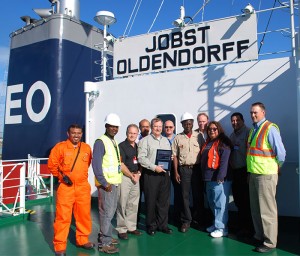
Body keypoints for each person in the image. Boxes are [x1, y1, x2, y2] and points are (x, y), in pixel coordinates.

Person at [48, 124, 94, 256]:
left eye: (79, 133)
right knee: (63, 217)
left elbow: (88, 163)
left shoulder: (86, 148)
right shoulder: (60, 147)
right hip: (66, 188)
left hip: (83, 187)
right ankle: (60, 246)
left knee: (84, 215)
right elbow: (52, 164)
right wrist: (61, 177)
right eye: (73, 133)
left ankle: (83, 239)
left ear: (82, 134)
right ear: (68, 134)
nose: (76, 135)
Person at [92, 113, 135, 254]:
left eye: (116, 127)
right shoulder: (101, 142)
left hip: (115, 182)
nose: (114, 129)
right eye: (111, 126)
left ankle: (104, 235)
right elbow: (96, 165)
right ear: (106, 126)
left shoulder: (113, 141)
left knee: (109, 212)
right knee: (107, 213)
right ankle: (105, 242)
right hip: (108, 184)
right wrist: (104, 183)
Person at [247, 102, 286, 253]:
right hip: (254, 174)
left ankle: (270, 242)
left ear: (263, 112)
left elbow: (281, 153)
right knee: (256, 208)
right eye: (251, 112)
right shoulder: (253, 130)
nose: (253, 115)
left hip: (266, 175)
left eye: (255, 112)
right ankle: (259, 235)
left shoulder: (270, 128)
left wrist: (277, 167)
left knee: (267, 210)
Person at [138, 117, 172, 235]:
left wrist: (170, 158)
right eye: (155, 126)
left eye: (159, 126)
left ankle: (162, 225)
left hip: (164, 175)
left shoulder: (165, 141)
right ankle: (151, 225)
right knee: (151, 201)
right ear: (152, 127)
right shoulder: (145, 141)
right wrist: (154, 167)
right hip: (151, 174)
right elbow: (141, 158)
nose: (158, 128)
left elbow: (168, 155)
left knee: (163, 202)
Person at [172, 112, 205, 233]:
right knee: (184, 196)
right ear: (182, 124)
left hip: (196, 169)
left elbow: (203, 153)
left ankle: (198, 219)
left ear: (192, 123)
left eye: (189, 122)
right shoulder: (178, 138)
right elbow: (174, 156)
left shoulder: (199, 136)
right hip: (184, 169)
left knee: (198, 195)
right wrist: (176, 172)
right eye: (185, 123)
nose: (187, 125)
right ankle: (186, 221)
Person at [201, 121, 232, 238]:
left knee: (220, 204)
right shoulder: (208, 142)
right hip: (209, 178)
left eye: (214, 129)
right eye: (209, 129)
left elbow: (224, 161)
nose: (212, 131)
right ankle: (216, 223)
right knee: (212, 203)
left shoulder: (223, 143)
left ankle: (222, 228)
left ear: (219, 129)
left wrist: (221, 176)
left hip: (219, 179)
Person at [116, 124, 142, 240]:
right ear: (126, 133)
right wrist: (131, 175)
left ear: (137, 134)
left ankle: (131, 227)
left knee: (133, 203)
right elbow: (121, 165)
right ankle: (121, 229)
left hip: (136, 177)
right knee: (122, 203)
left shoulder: (138, 146)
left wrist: (139, 174)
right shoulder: (121, 146)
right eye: (130, 133)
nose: (132, 135)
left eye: (134, 133)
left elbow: (142, 161)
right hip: (126, 177)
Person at [229, 112, 253, 237]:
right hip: (235, 172)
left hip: (245, 171)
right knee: (238, 200)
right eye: (233, 121)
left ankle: (248, 227)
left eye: (237, 120)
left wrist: (249, 172)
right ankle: (242, 225)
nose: (235, 122)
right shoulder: (232, 136)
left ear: (242, 120)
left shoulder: (248, 133)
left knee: (246, 201)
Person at [163, 120, 180, 224]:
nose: (168, 129)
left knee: (178, 193)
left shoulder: (177, 138)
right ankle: (165, 216)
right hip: (163, 168)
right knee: (164, 193)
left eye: (170, 127)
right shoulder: (161, 139)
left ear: (174, 127)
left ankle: (177, 216)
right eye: (166, 127)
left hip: (175, 168)